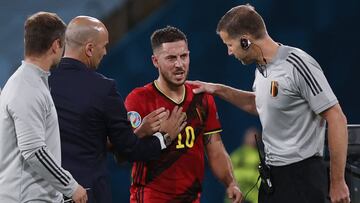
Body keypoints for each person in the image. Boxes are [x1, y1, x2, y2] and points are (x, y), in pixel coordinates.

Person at [189, 4, 350, 203]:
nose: (229, 52)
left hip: (303, 178)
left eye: (229, 44)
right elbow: (259, 104)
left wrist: (337, 182)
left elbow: (336, 117)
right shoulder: (262, 69)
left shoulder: (297, 64)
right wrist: (218, 89)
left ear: (246, 40)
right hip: (273, 178)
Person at [49, 16, 186, 203]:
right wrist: (164, 137)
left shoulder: (43, 82)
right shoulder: (102, 89)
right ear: (89, 49)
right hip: (88, 194)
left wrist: (139, 132)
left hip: (46, 193)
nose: (105, 52)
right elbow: (130, 150)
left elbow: (78, 137)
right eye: (103, 46)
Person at [125, 26, 242, 203]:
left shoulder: (201, 97)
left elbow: (215, 149)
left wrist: (231, 182)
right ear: (155, 61)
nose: (179, 64)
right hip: (150, 198)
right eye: (171, 58)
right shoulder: (139, 99)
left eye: (184, 56)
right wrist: (154, 134)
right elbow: (124, 150)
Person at [0, 12, 87, 203]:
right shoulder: (26, 88)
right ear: (56, 45)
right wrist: (71, 186)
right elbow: (33, 151)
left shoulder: (31, 82)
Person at [225, 127, 260, 203]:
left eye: (253, 137)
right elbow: (228, 172)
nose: (251, 139)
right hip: (236, 193)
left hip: (254, 196)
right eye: (249, 137)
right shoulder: (237, 154)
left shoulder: (259, 157)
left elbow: (260, 177)